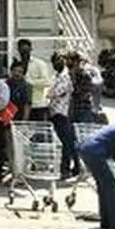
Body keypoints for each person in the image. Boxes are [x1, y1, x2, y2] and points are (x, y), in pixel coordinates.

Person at [47, 52, 79, 180]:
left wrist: (50, 92)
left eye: (59, 60)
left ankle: (68, 169)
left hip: (62, 113)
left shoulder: (66, 76)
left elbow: (54, 92)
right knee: (66, 142)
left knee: (67, 143)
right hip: (55, 112)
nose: (56, 63)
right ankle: (71, 168)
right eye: (54, 61)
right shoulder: (57, 76)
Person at [15, 39, 54, 121]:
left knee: (37, 131)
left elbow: (47, 82)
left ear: (31, 49)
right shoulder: (16, 65)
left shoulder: (40, 64)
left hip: (37, 105)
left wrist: (29, 82)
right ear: (18, 50)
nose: (24, 53)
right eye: (22, 51)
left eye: (26, 50)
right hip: (21, 106)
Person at [67, 51, 97, 125]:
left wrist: (73, 78)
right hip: (69, 110)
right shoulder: (66, 75)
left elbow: (81, 94)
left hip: (83, 109)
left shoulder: (85, 76)